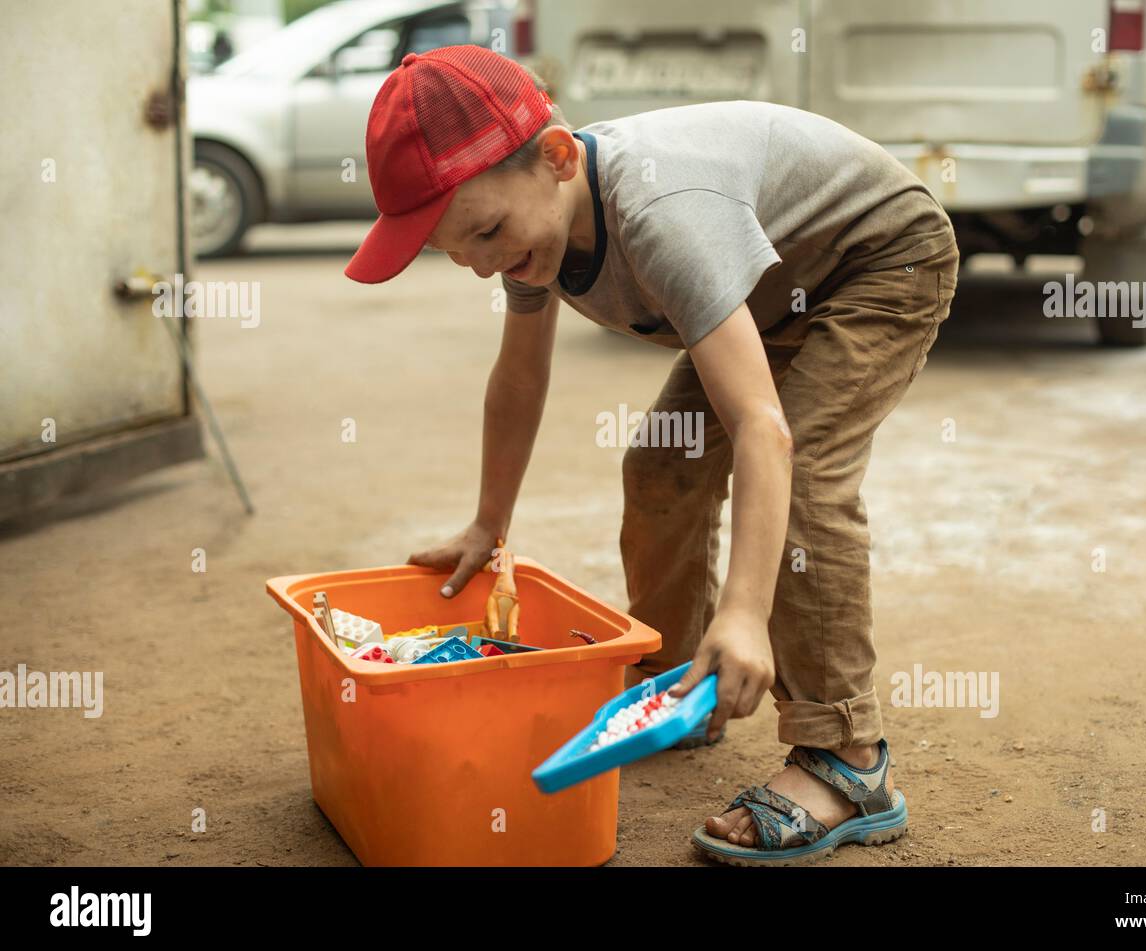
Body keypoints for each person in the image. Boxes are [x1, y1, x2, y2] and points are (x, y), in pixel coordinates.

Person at [345, 46, 958, 865]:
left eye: (487, 232)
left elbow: (763, 431)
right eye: (458, 250)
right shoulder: (537, 224)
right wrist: (488, 523)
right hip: (777, 285)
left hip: (880, 261)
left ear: (559, 157)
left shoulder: (660, 213)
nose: (484, 262)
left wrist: (744, 610)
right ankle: (684, 687)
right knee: (662, 466)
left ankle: (847, 758)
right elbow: (519, 376)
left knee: (799, 469)